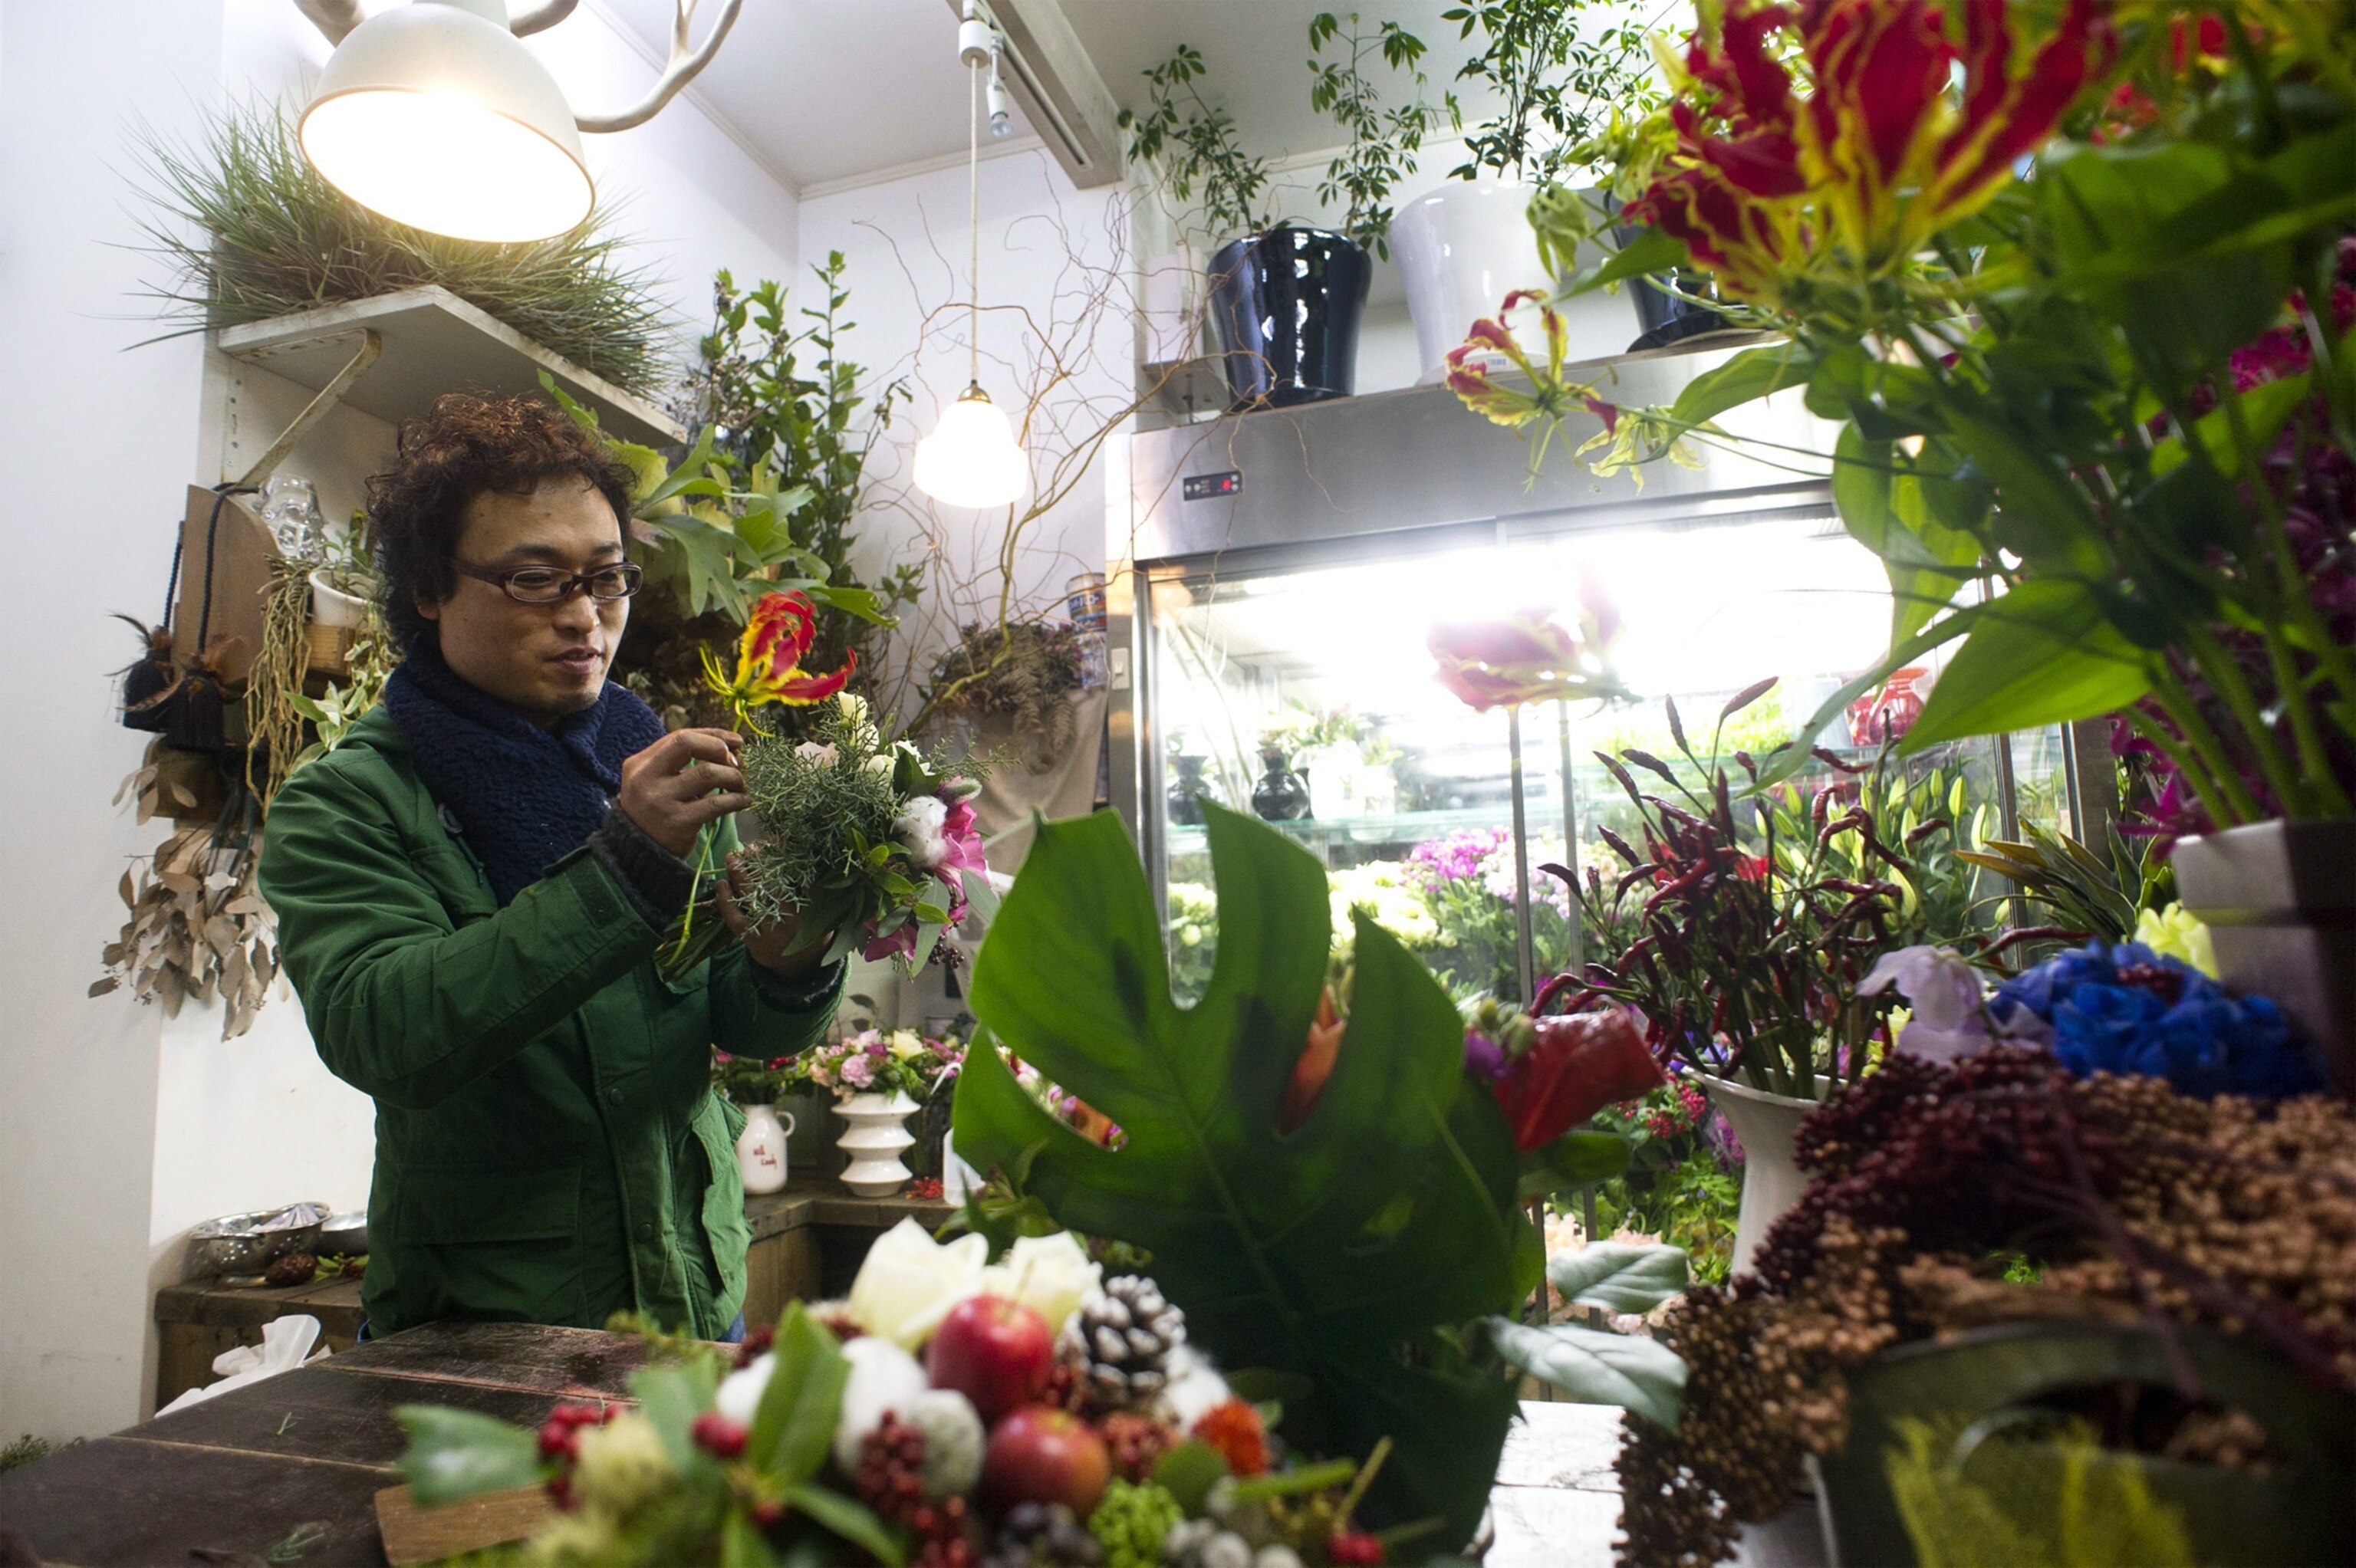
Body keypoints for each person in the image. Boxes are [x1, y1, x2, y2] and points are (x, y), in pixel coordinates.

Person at [260, 394, 841, 1343]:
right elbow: (384, 1032)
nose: (585, 619)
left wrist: (789, 960)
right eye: (537, 580)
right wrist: (622, 870)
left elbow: (748, 1027)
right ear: (429, 588)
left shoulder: (659, 763)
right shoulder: (352, 799)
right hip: (483, 1330)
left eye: (608, 579)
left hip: (694, 1294)